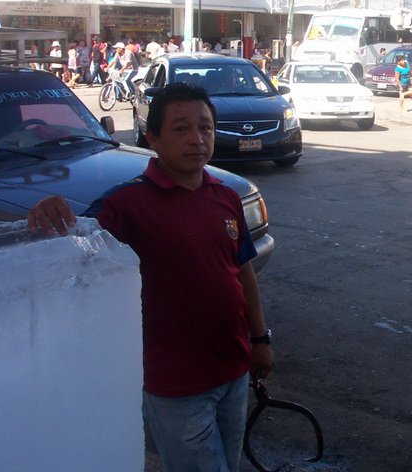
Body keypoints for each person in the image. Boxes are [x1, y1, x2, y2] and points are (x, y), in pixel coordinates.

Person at [27, 83, 274, 471]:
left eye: (205, 128)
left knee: (230, 462)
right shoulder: (126, 205)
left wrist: (260, 340)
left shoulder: (225, 197)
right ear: (153, 137)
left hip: (233, 369)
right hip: (175, 384)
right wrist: (49, 211)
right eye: (181, 129)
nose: (197, 139)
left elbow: (242, 272)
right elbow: (73, 248)